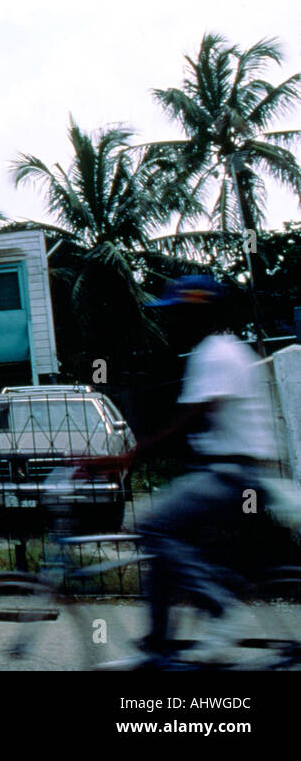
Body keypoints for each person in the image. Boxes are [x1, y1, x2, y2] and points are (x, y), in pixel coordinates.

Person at [130, 275, 279, 663]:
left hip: (232, 476)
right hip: (229, 474)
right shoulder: (222, 350)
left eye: (176, 314)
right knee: (165, 546)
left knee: (152, 526)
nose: (169, 322)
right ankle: (159, 648)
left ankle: (220, 609)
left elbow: (186, 422)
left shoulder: (214, 354)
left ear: (197, 313)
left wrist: (127, 458)